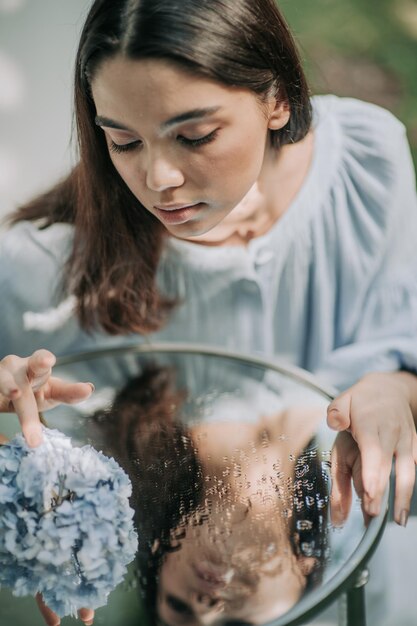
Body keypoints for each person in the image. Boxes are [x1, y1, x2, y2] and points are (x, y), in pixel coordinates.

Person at [0, 0, 417, 621]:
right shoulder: (47, 271)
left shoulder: (364, 161)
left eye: (194, 136)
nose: (157, 177)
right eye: (122, 141)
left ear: (277, 99)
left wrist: (395, 381)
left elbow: (399, 324)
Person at [92, 365, 330, 626]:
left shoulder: (92, 402)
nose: (205, 608)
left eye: (178, 605)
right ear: (304, 569)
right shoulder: (354, 388)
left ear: (159, 561)